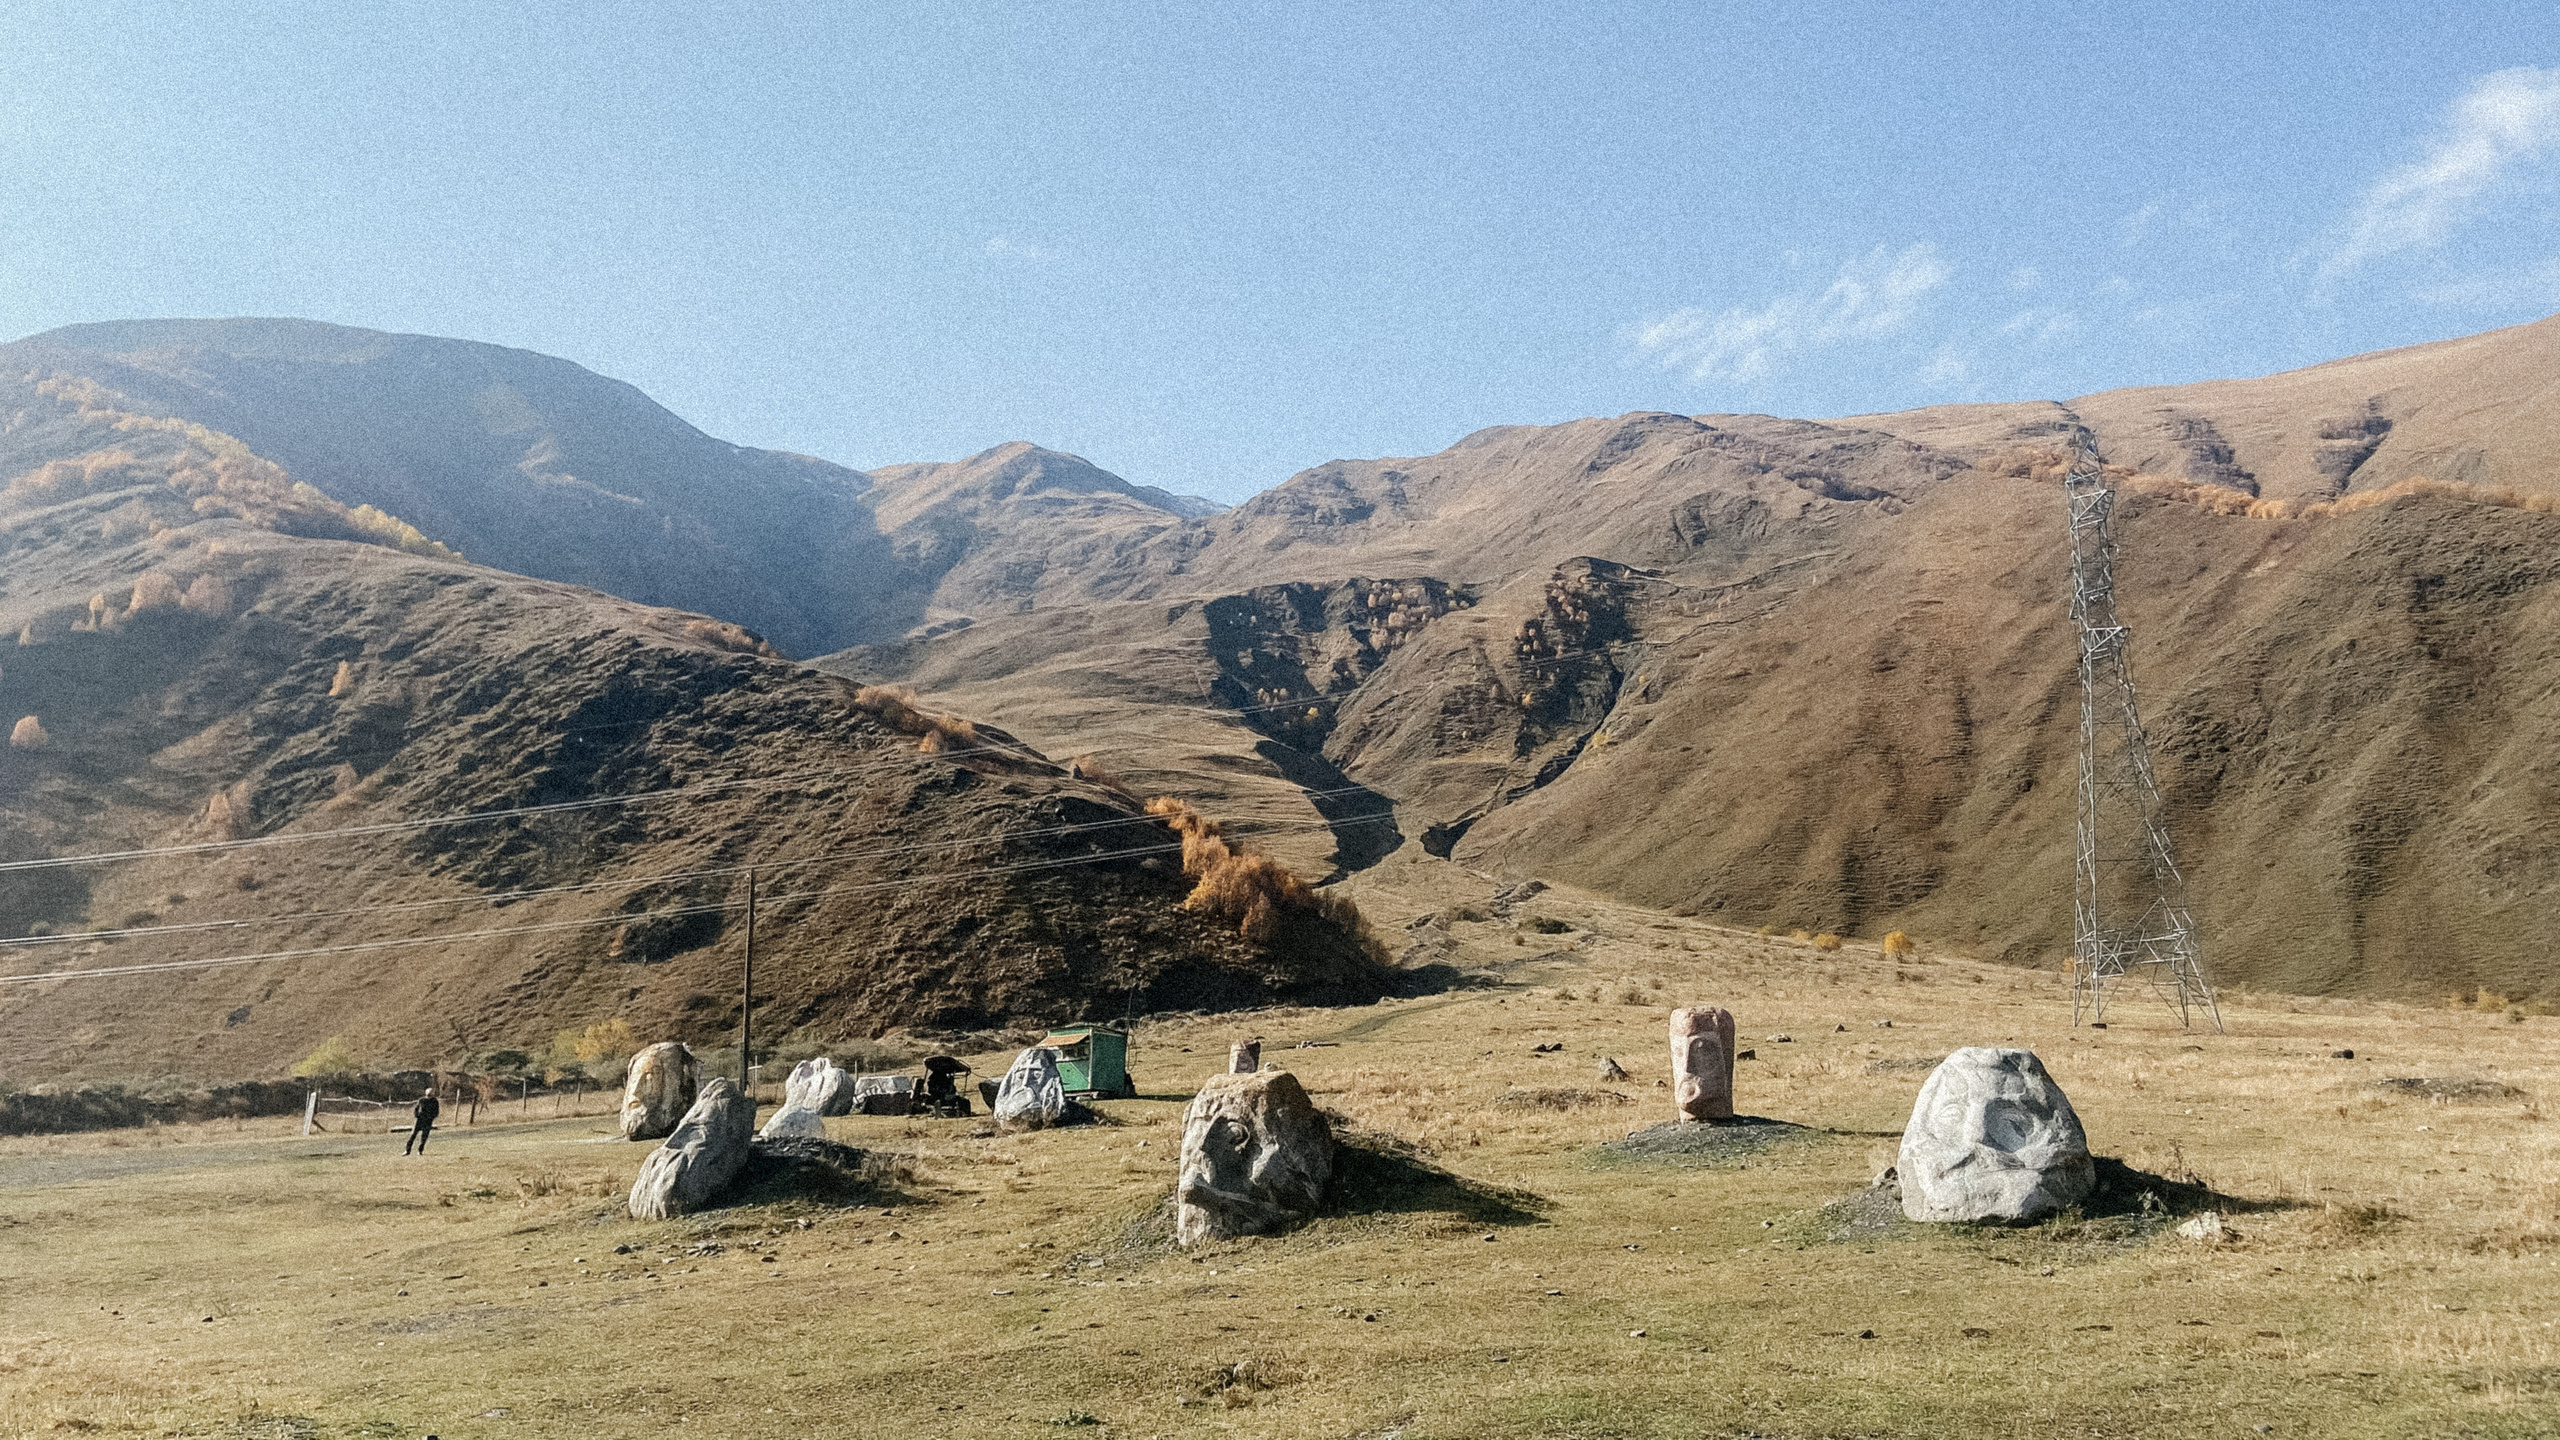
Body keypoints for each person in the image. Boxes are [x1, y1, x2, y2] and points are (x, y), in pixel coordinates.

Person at [404, 1087, 441, 1155]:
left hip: (428, 1121)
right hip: (419, 1120)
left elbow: (436, 1112)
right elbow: (416, 1109)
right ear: (426, 1094)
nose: (429, 1095)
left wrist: (431, 1117)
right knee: (413, 1135)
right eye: (428, 1094)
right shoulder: (421, 1100)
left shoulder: (435, 1101)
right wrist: (417, 1115)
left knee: (424, 1137)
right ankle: (407, 1150)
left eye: (430, 1094)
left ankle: (420, 1150)